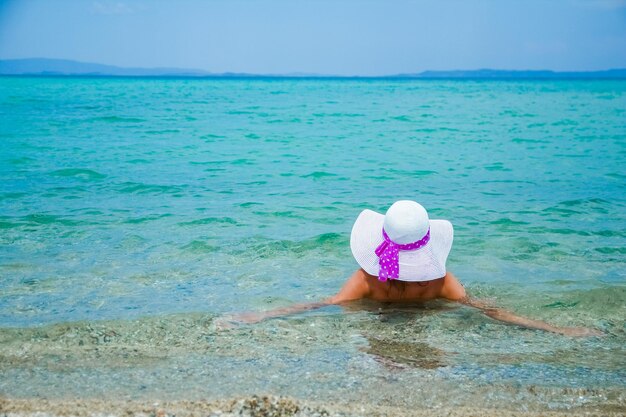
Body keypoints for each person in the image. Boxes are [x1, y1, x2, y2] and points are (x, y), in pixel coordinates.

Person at [222, 200, 601, 337]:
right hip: (428, 330)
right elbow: (492, 312)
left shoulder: (367, 280)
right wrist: (555, 328)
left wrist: (263, 315)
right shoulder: (440, 282)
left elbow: (321, 304)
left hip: (377, 329)